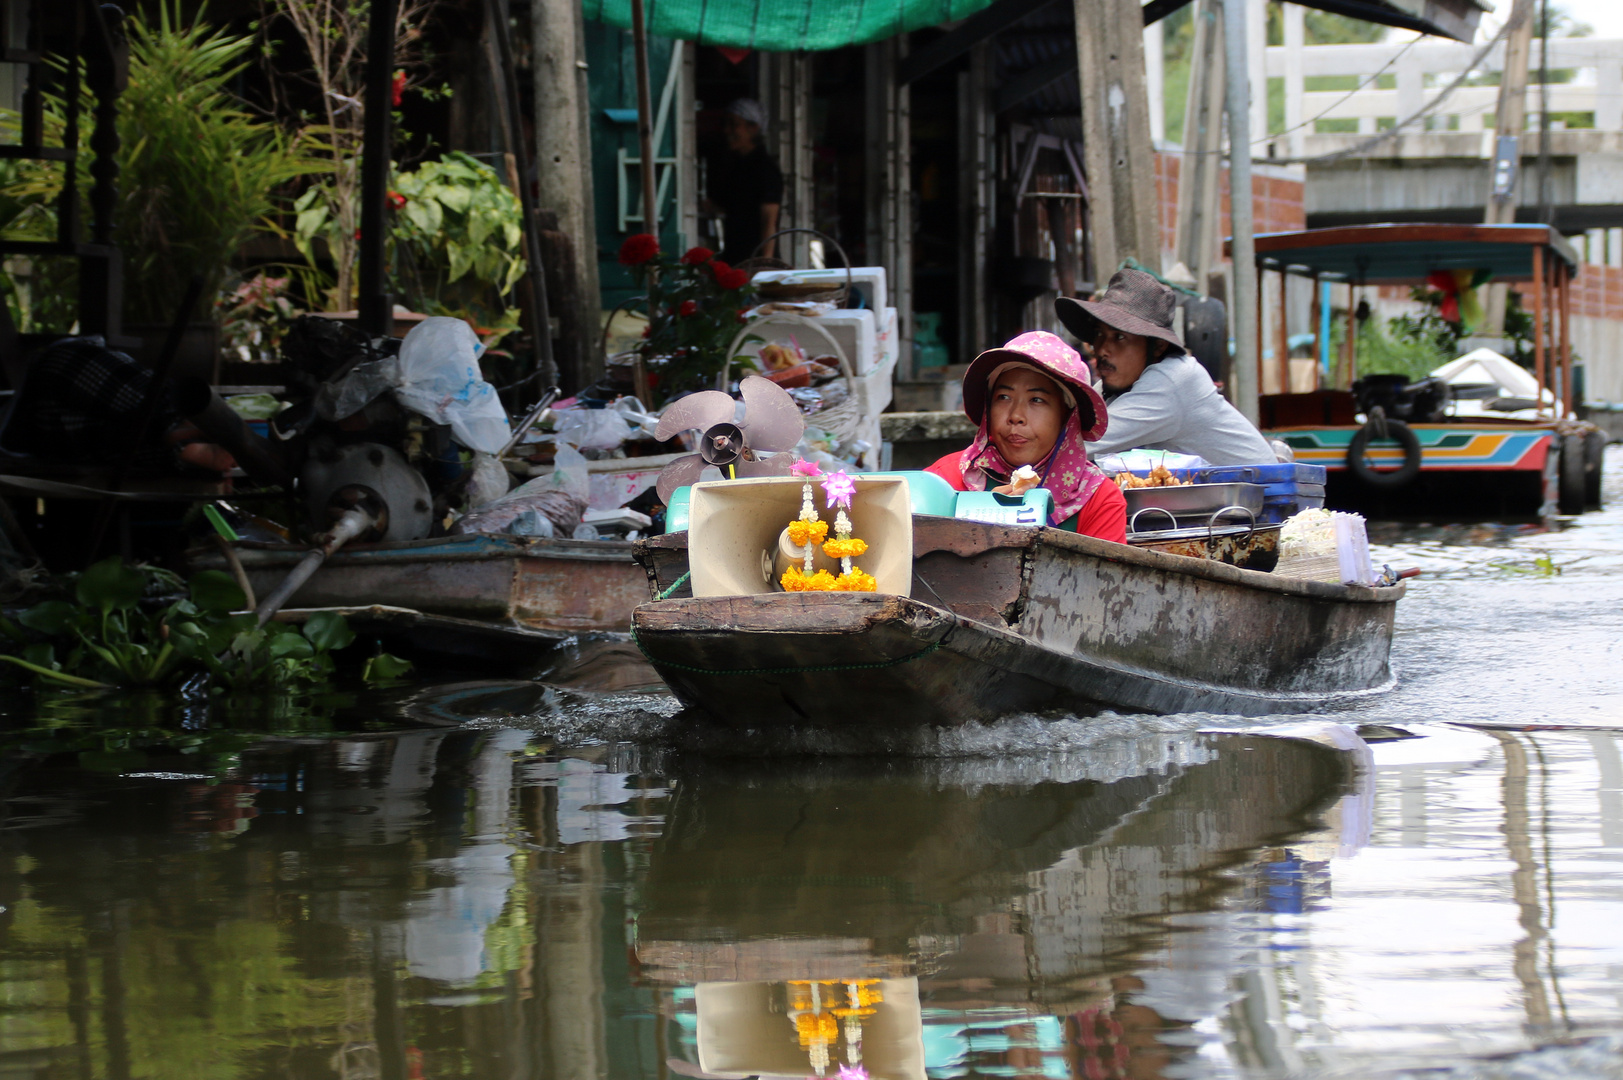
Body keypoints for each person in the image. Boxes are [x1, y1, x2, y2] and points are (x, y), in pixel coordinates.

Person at [1055, 268, 1276, 466]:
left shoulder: (1171, 380)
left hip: (1264, 499)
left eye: (1119, 337)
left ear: (1158, 346)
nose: (1102, 349)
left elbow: (1079, 443)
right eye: (1099, 334)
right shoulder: (1113, 387)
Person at [926, 331, 1127, 543]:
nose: (1016, 416)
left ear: (1067, 416)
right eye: (1003, 397)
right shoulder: (944, 481)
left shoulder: (1099, 500)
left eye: (1037, 400)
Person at [705, 99, 783, 264]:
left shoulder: (765, 168)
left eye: (734, 125)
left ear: (753, 128)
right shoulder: (736, 165)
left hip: (754, 259)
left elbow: (769, 220)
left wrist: (766, 261)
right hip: (735, 255)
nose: (727, 131)